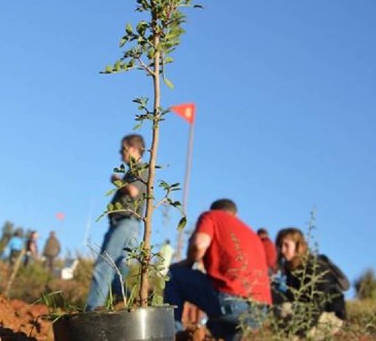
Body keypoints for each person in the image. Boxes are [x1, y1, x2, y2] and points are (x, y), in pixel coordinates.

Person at [164, 199, 272, 341]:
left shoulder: (211, 216)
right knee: (218, 326)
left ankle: (173, 335)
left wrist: (188, 263)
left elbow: (199, 245)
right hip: (260, 312)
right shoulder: (253, 234)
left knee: (174, 275)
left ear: (214, 209)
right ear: (236, 215)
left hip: (230, 301)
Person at [86, 134, 149, 311]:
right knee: (118, 273)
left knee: (104, 265)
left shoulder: (142, 169)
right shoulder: (133, 171)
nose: (120, 153)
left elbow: (133, 191)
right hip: (124, 223)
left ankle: (93, 310)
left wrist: (116, 180)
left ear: (133, 149)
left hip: (127, 223)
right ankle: (129, 306)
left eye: (123, 149)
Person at [276, 228, 347, 337]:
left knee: (285, 309)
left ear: (298, 246)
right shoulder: (291, 269)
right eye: (280, 246)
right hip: (306, 314)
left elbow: (317, 306)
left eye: (286, 245)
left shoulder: (315, 268)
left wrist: (298, 334)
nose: (282, 250)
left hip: (331, 317)